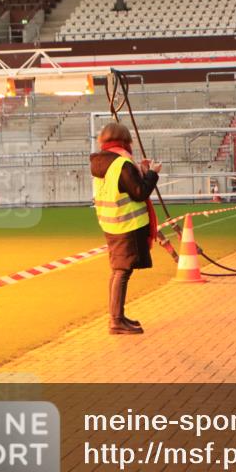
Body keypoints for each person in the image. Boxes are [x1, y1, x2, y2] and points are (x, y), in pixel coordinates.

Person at [90, 122, 160, 335]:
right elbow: (139, 192)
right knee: (122, 271)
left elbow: (125, 188)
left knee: (118, 271)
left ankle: (117, 316)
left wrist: (142, 173)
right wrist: (152, 174)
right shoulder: (122, 163)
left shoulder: (101, 162)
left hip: (111, 223)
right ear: (125, 140)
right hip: (128, 225)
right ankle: (116, 320)